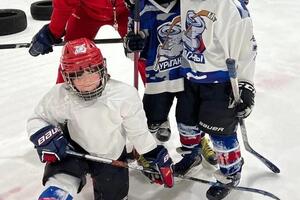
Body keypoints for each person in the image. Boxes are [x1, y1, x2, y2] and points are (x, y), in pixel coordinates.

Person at [27, 38, 174, 200]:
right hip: (74, 150)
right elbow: (37, 118)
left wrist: (154, 153)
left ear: (102, 68)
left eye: (92, 71)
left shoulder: (124, 94)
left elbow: (138, 132)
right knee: (58, 187)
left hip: (111, 157)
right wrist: (45, 137)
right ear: (67, 77)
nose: (87, 81)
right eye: (78, 75)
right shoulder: (61, 95)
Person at [123, 0, 217, 177]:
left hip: (190, 75)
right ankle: (148, 153)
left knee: (190, 118)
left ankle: (195, 148)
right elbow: (131, 54)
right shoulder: (140, 8)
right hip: (159, 79)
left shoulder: (190, 3)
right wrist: (132, 44)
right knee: (152, 119)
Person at [179, 0, 257, 199]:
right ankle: (192, 155)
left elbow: (246, 51)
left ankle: (231, 172)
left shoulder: (231, 8)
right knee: (186, 123)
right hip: (189, 74)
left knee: (220, 131)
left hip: (219, 82)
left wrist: (245, 85)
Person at [28, 0, 129, 83]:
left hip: (128, 12)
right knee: (73, 55)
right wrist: (53, 32)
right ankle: (63, 100)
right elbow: (64, 3)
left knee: (141, 50)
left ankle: (146, 97)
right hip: (86, 12)